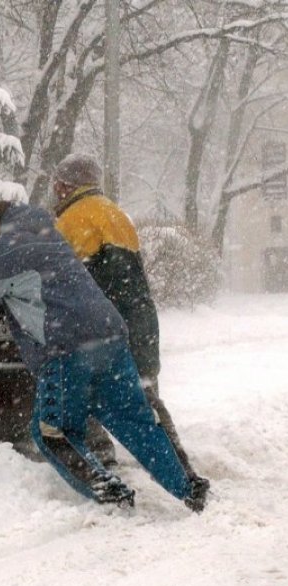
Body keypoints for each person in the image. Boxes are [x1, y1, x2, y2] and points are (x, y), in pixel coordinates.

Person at [0, 200, 207, 511]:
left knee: (54, 432)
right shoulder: (47, 236)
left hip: (67, 346)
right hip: (108, 336)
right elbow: (9, 277)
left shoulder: (8, 244)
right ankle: (189, 488)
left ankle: (113, 496)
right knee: (135, 421)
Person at [52, 153, 207, 488]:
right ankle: (180, 467)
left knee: (79, 392)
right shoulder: (116, 214)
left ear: (66, 185)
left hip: (101, 329)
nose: (55, 189)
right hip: (139, 321)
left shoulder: (73, 221)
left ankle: (102, 466)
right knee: (145, 398)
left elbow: (68, 281)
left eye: (58, 183)